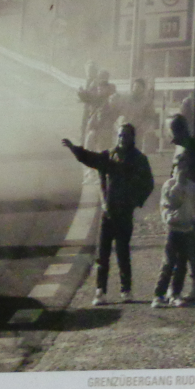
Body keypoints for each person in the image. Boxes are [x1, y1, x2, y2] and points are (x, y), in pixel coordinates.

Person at [61, 123, 154, 305]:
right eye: (119, 135)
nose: (122, 139)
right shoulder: (108, 156)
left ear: (132, 137)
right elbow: (90, 158)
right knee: (103, 254)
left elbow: (148, 184)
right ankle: (100, 290)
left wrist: (135, 201)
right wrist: (74, 149)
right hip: (108, 212)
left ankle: (126, 290)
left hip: (124, 213)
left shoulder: (139, 159)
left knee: (122, 252)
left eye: (125, 135)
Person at [152, 151, 195, 307]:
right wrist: (178, 186)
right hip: (174, 229)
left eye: (185, 167)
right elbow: (170, 203)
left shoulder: (192, 187)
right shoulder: (169, 186)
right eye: (178, 167)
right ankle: (159, 294)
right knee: (168, 262)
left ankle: (175, 293)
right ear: (173, 169)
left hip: (187, 229)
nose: (182, 170)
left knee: (182, 263)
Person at [168, 113, 195, 301]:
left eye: (172, 130)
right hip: (182, 202)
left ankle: (185, 288)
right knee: (185, 247)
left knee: (186, 248)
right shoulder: (184, 145)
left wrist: (193, 204)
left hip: (187, 203)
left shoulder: (189, 147)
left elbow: (193, 178)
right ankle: (182, 287)